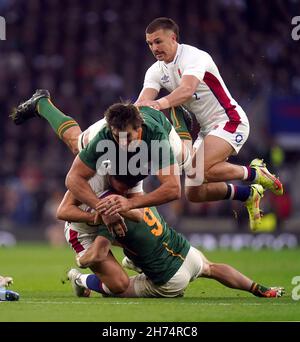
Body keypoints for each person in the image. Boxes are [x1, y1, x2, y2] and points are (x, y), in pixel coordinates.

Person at [135, 17, 283, 230]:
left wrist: (158, 104)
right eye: (149, 44)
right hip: (206, 130)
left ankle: (255, 173)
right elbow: (142, 103)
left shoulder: (194, 57)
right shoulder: (156, 70)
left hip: (230, 120)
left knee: (197, 171)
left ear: (173, 38)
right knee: (193, 192)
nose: (154, 48)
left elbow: (187, 89)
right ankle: (248, 194)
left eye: (158, 42)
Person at [57, 175, 284, 299]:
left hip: (170, 282)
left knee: (118, 286)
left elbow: (97, 253)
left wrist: (81, 261)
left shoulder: (113, 214)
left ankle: (79, 279)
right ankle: (258, 288)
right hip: (187, 253)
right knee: (212, 268)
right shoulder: (141, 198)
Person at [10, 90, 194, 218]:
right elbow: (73, 178)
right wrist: (99, 205)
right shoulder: (106, 135)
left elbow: (173, 189)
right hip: (123, 125)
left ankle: (180, 120)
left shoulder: (157, 138)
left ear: (138, 129)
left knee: (189, 162)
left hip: (161, 125)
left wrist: (129, 204)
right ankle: (41, 103)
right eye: (117, 136)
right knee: (77, 145)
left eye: (127, 138)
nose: (122, 143)